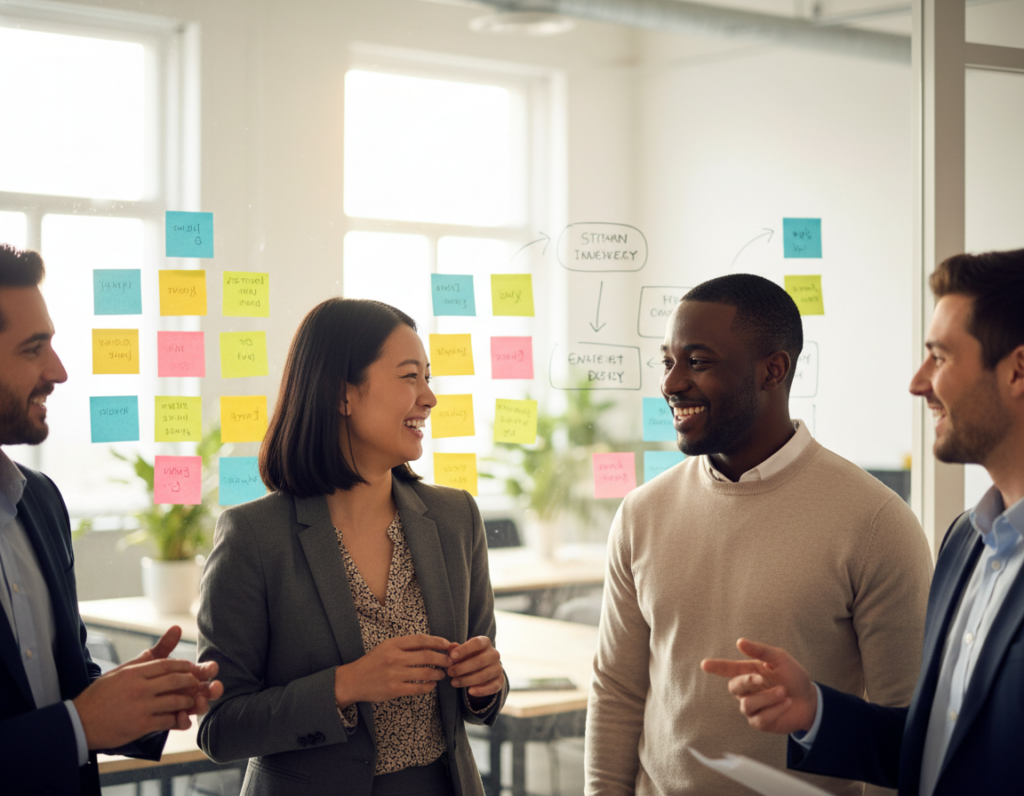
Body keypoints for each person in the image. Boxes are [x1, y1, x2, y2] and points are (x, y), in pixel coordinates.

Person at [585, 273, 933, 796]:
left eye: (697, 361)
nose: (671, 382)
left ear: (774, 369)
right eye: (668, 361)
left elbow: (904, 725)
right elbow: (618, 690)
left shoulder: (876, 521)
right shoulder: (642, 512)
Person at [703, 249, 1024, 796]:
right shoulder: (966, 542)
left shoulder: (882, 521)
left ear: (1018, 370)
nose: (918, 383)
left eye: (939, 358)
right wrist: (816, 710)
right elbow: (937, 749)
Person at [197, 297, 508, 796]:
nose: (429, 398)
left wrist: (486, 683)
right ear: (341, 394)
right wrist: (347, 684)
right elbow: (220, 727)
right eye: (410, 377)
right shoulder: (253, 537)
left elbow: (483, 687)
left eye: (427, 377)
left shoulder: (455, 518)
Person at [0, 243, 222, 795]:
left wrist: (136, 695)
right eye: (34, 349)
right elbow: (71, 720)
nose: (59, 371)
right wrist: (81, 724)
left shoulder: (40, 502)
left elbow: (58, 692)